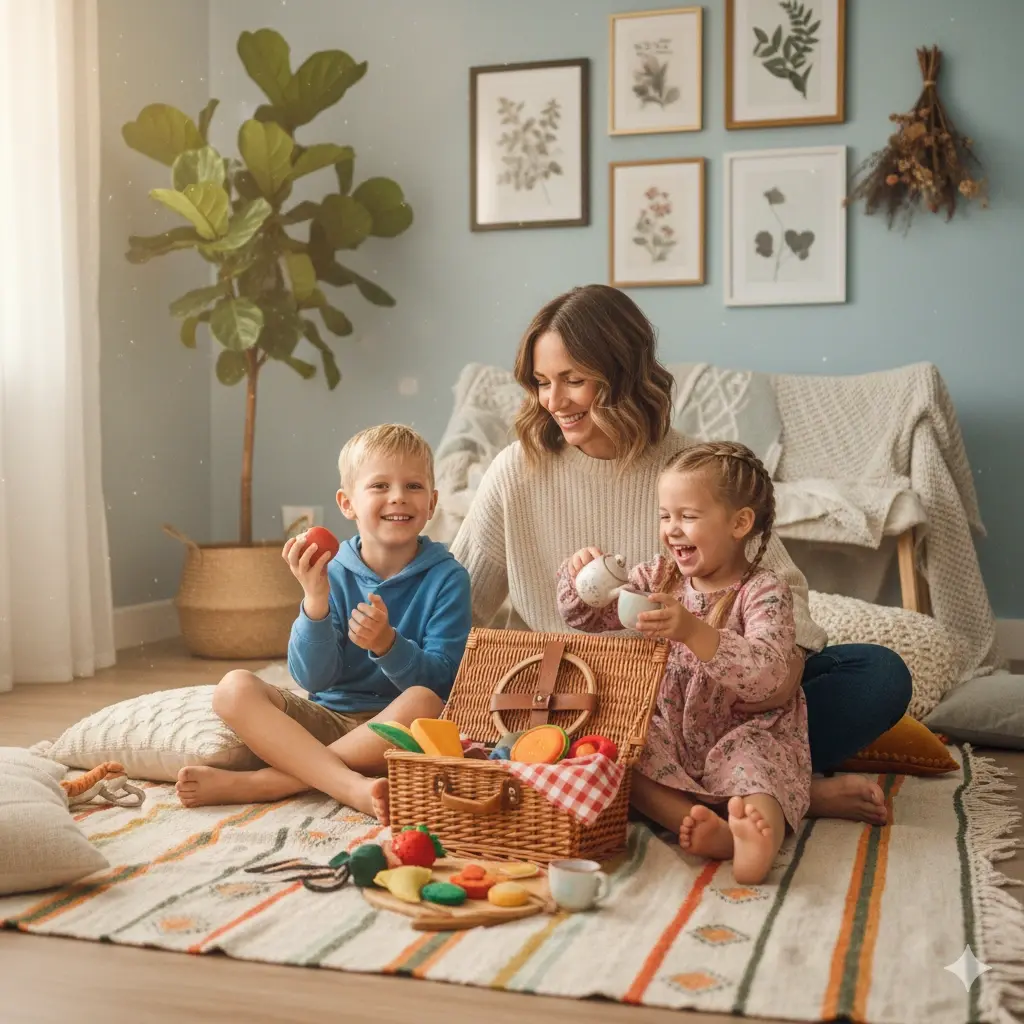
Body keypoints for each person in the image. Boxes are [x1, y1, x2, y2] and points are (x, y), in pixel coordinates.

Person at [450, 284, 911, 825]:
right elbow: (458, 604)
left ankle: (736, 781)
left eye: (574, 380)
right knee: (522, 719)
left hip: (711, 699)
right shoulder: (514, 471)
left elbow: (780, 589)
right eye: (543, 382)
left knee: (878, 675)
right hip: (587, 706)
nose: (554, 401)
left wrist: (778, 670)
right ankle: (781, 791)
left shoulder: (689, 466)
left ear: (623, 373)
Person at [176, 424, 472, 823]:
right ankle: (348, 784)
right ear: (347, 503)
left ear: (432, 502)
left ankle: (271, 782)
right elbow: (313, 679)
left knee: (425, 701)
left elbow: (444, 682)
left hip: (395, 729)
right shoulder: (328, 569)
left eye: (414, 486)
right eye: (380, 485)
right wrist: (315, 602)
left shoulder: (448, 578)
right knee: (233, 689)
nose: (398, 496)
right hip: (326, 721)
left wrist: (388, 645)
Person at [559, 441, 810, 884]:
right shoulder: (659, 577)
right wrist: (584, 578)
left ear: (739, 523)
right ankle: (695, 822)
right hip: (669, 727)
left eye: (688, 517)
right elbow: (586, 617)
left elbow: (769, 673)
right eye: (665, 516)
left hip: (741, 728)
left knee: (757, 768)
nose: (672, 529)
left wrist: (694, 632)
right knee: (621, 755)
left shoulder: (764, 591)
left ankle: (756, 841)